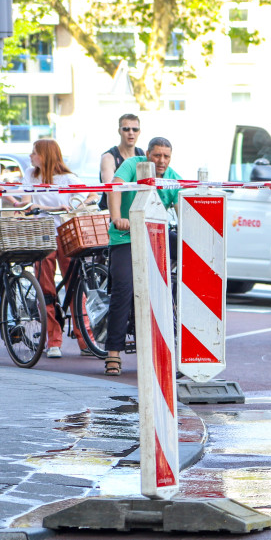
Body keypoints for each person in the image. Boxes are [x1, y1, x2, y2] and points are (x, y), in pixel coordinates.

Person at [1, 139, 97, 358]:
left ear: (45, 155)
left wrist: (75, 205)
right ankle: (53, 340)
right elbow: (27, 203)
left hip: (65, 235)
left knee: (74, 287)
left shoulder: (68, 178)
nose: (31, 156)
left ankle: (84, 338)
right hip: (42, 236)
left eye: (34, 153)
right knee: (46, 289)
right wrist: (41, 206)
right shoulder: (31, 174)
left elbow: (92, 194)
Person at [104, 138, 181, 376]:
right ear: (147, 153)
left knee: (170, 285)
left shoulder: (172, 177)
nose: (161, 161)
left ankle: (169, 343)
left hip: (155, 237)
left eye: (166, 156)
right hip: (125, 236)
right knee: (124, 288)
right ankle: (113, 353)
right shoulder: (132, 165)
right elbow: (115, 188)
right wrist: (117, 218)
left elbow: (181, 209)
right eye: (157, 155)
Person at [98, 114, 145, 211]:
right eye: (126, 129)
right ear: (119, 131)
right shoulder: (109, 157)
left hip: (137, 210)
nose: (131, 133)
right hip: (112, 213)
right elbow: (110, 190)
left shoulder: (143, 155)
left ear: (139, 132)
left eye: (135, 129)